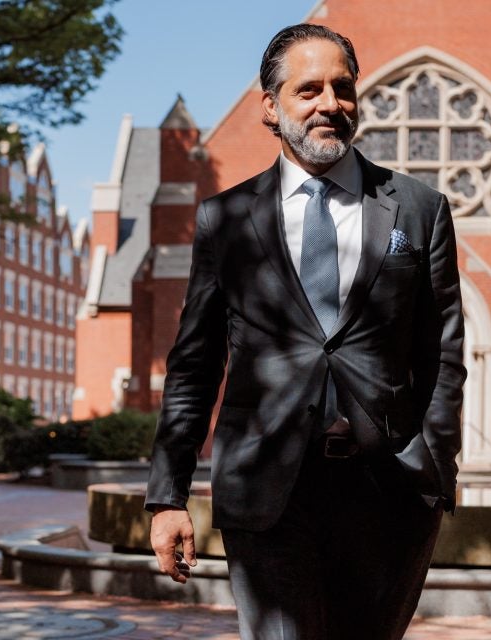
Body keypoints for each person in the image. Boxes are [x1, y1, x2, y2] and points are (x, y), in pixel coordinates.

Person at [145, 23, 466, 640]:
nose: (330, 105)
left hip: (389, 494)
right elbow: (194, 364)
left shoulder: (420, 209)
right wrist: (167, 495)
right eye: (309, 89)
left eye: (343, 88)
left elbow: (443, 353)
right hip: (267, 492)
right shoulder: (227, 219)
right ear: (271, 106)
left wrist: (434, 469)